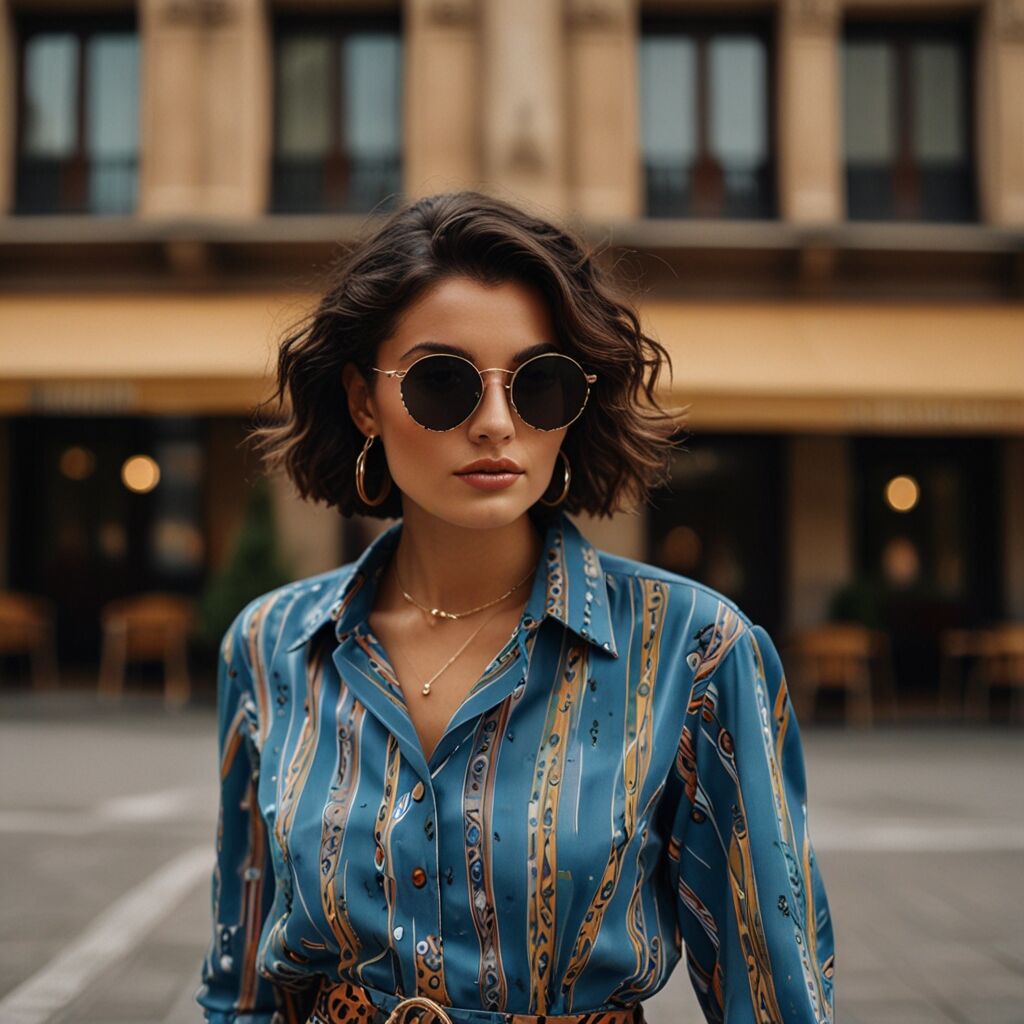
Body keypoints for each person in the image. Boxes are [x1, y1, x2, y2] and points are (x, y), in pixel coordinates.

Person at [195, 190, 835, 1024]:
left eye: (540, 384)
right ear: (363, 401)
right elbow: (239, 988)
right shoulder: (270, 644)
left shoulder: (696, 650)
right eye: (441, 382)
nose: (497, 423)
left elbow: (773, 989)